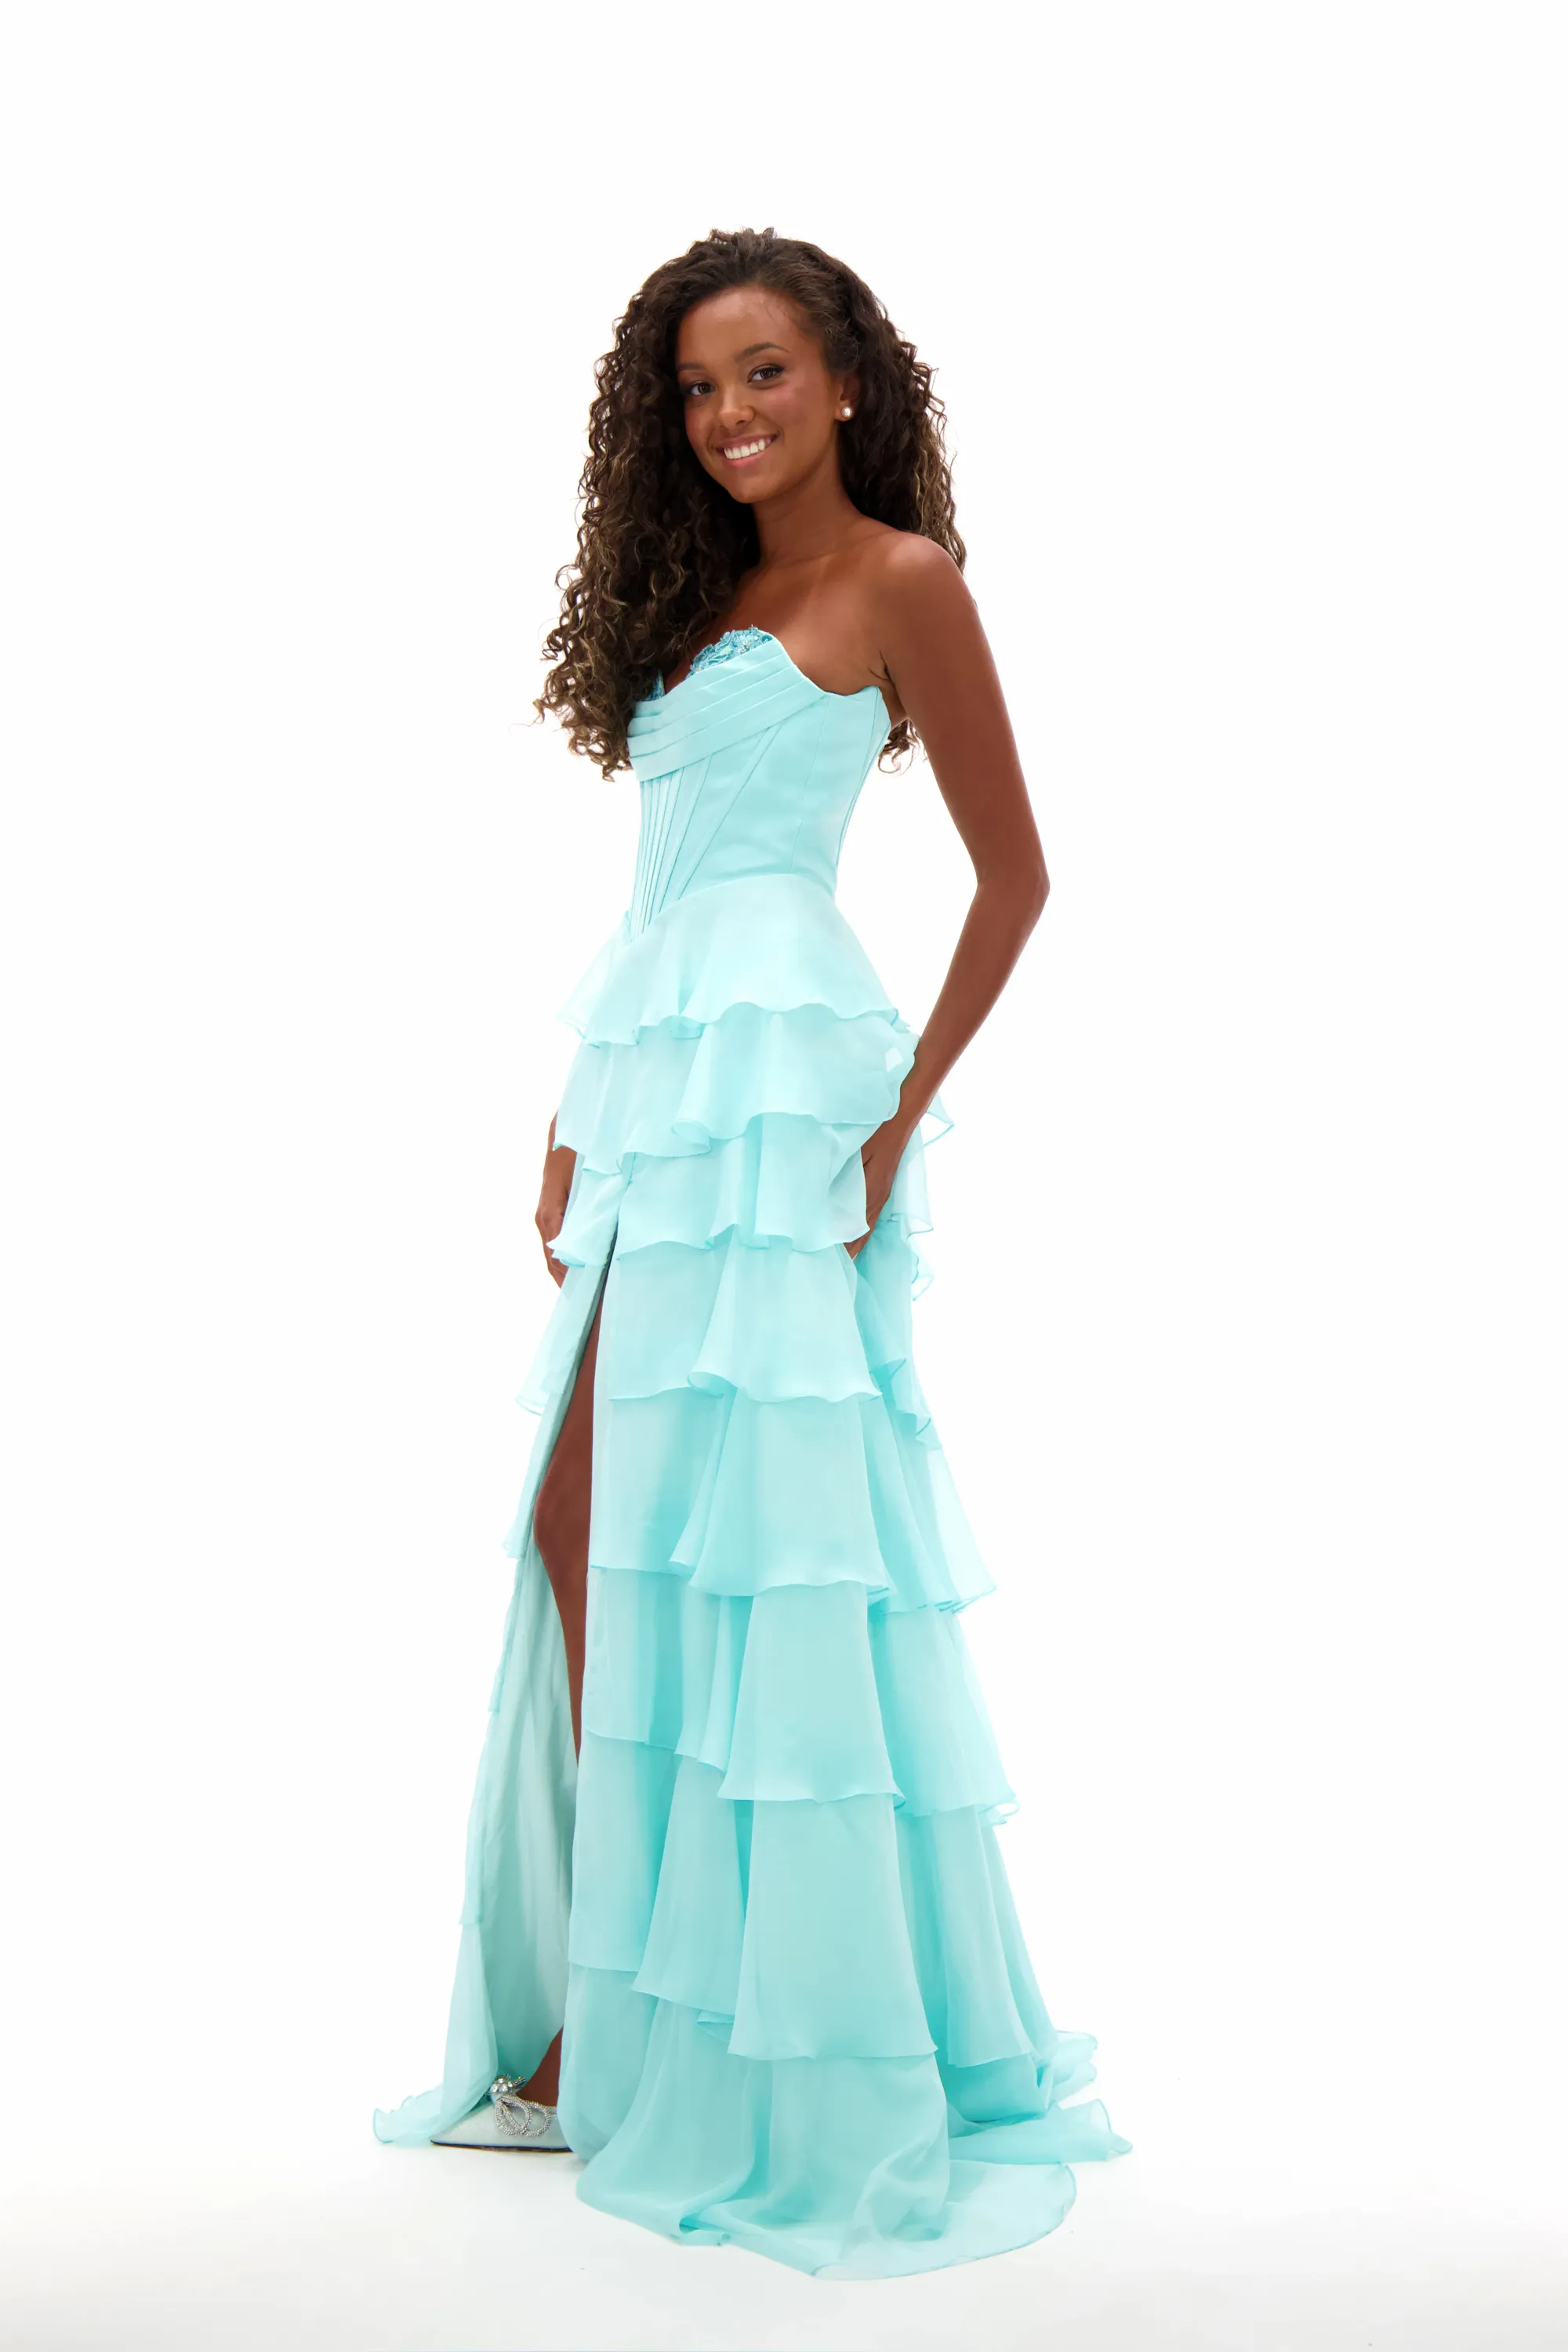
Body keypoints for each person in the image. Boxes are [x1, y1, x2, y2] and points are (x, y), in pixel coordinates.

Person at [374, 226, 1128, 2277]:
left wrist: (897, 1115)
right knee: (589, 1523)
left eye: (766, 372)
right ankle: (624, 2002)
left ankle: (727, 2045)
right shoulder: (693, 599)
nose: (731, 414)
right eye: (700, 387)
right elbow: (662, 884)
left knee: (768, 1545)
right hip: (661, 1088)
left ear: (849, 377)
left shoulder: (903, 582)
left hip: (791, 1094)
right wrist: (575, 1110)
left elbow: (1016, 877)